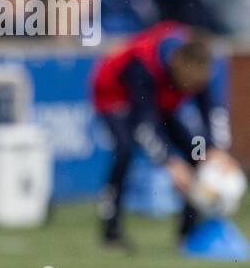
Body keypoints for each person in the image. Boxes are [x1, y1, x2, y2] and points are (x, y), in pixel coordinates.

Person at [91, 21, 232, 249]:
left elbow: (213, 110)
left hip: (159, 102)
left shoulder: (198, 64)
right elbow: (144, 125)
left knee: (197, 153)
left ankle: (188, 233)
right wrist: (170, 162)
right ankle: (111, 228)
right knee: (125, 150)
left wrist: (217, 150)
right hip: (115, 97)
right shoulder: (143, 65)